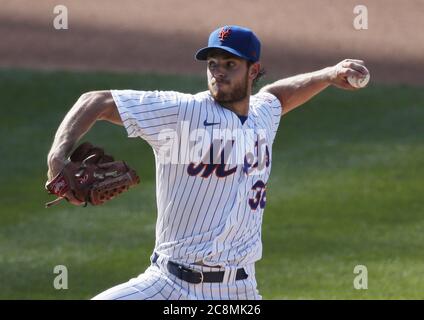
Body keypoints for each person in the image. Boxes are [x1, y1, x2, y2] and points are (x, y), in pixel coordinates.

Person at [46, 25, 369, 300]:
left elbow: (279, 96)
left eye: (230, 64)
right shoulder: (182, 113)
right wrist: (56, 157)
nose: (218, 72)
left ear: (252, 70)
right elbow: (96, 101)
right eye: (213, 64)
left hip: (239, 291)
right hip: (169, 284)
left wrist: (328, 75)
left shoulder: (262, 116)